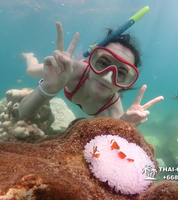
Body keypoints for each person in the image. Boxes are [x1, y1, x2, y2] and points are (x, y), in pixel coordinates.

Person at [19, 22, 164, 127]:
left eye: (120, 73)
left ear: (126, 81)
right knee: (31, 71)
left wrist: (125, 127)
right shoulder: (72, 70)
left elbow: (114, 144)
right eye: (103, 63)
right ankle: (29, 56)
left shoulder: (112, 109)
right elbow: (23, 113)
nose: (107, 77)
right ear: (92, 60)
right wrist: (46, 89)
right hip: (70, 65)